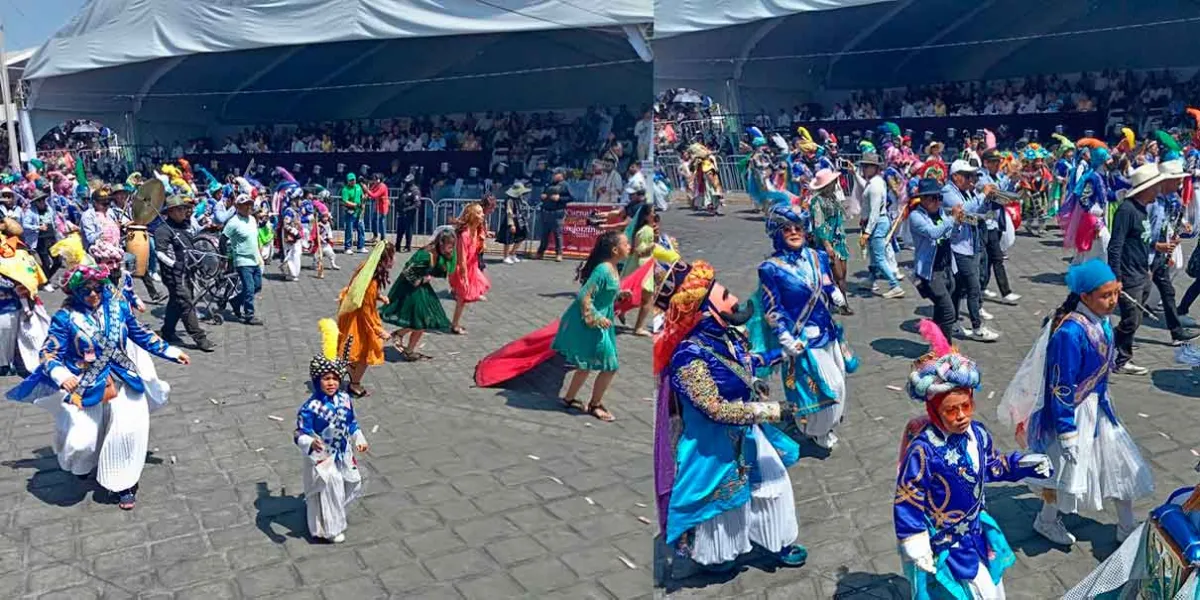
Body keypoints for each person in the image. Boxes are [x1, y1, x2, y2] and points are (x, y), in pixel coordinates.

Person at [654, 259, 809, 572]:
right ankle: (719, 555)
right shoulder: (688, 356)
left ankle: (777, 540)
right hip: (714, 446)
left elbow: (745, 363)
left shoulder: (724, 336)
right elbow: (714, 408)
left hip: (748, 432)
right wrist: (773, 410)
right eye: (724, 296)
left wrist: (780, 356)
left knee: (773, 483)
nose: (735, 300)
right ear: (704, 309)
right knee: (725, 506)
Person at [7, 264, 190, 510]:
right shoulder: (65, 318)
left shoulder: (118, 307)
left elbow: (140, 333)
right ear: (74, 293)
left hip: (124, 379)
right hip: (86, 385)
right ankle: (84, 463)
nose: (93, 294)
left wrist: (170, 351)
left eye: (97, 288)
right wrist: (61, 374)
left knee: (127, 432)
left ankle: (123, 482)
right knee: (82, 442)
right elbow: (49, 352)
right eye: (86, 290)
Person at [998, 259, 1154, 546]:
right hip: (1074, 414)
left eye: (1115, 293)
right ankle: (1046, 520)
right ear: (1085, 297)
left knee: (1120, 464)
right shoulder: (1070, 333)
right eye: (1106, 296)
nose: (1113, 301)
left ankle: (1126, 526)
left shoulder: (1102, 320)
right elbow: (1061, 386)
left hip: (1100, 409)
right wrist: (1067, 432)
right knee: (1062, 472)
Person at [895, 319, 1053, 598]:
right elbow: (908, 495)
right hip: (947, 544)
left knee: (994, 590)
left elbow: (991, 466)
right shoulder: (924, 450)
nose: (961, 416)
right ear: (934, 412)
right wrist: (913, 538)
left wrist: (1021, 465)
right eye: (950, 410)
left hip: (977, 531)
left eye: (966, 406)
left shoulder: (977, 434)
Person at [750, 204, 857, 450]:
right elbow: (772, 308)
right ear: (778, 233)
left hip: (828, 332)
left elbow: (825, 280)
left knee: (839, 380)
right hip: (803, 338)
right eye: (787, 229)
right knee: (829, 386)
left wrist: (834, 293)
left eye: (798, 227)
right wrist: (785, 338)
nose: (794, 232)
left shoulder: (817, 256)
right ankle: (814, 429)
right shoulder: (771, 269)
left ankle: (827, 424)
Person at [295, 319, 367, 544]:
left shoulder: (345, 399)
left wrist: (359, 438)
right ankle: (329, 528)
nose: (331, 383)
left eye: (335, 378)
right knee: (332, 486)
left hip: (343, 452)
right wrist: (310, 442)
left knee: (353, 481)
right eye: (326, 378)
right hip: (322, 455)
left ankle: (332, 511)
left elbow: (352, 422)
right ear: (317, 381)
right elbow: (299, 433)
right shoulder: (310, 407)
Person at [551, 231, 629, 422]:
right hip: (594, 324)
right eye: (626, 244)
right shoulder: (603, 269)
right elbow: (584, 296)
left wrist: (619, 295)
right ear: (615, 249)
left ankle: (569, 399)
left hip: (604, 322)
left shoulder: (613, 267)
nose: (629, 246)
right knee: (610, 366)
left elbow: (604, 293)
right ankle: (595, 404)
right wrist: (595, 317)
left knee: (585, 364)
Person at [1108, 164, 1166, 375]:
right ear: (1145, 189)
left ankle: (1109, 345)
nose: (1158, 191)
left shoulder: (1142, 210)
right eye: (1155, 187)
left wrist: (1151, 259)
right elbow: (1115, 246)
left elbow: (1141, 241)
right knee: (1131, 319)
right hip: (1128, 274)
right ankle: (1121, 358)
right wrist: (1116, 277)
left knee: (1135, 319)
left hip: (1142, 272)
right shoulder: (1127, 210)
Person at [942, 160, 1000, 342]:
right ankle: (977, 327)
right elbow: (964, 211)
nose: (971, 179)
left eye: (972, 176)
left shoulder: (966, 192)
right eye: (967, 176)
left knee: (959, 288)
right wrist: (982, 195)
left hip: (971, 245)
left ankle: (953, 323)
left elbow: (976, 213)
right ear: (955, 176)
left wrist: (989, 200)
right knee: (974, 287)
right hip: (958, 247)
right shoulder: (948, 192)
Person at [381, 227, 456, 361]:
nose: (451, 250)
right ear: (441, 243)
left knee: (423, 320)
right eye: (449, 246)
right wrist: (421, 279)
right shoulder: (425, 254)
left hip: (420, 287)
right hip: (410, 288)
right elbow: (408, 270)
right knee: (420, 319)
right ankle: (401, 338)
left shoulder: (437, 254)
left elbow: (435, 270)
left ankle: (407, 347)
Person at [154, 195, 216, 352]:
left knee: (176, 302)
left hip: (188, 271)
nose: (185, 212)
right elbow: (160, 253)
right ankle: (200, 338)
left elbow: (192, 247)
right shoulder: (163, 230)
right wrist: (174, 264)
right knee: (185, 302)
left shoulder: (184, 226)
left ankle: (167, 331)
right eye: (181, 209)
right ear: (171, 211)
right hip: (173, 274)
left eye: (184, 208)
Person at [1147, 159, 1199, 345]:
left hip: (1162, 249)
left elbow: (1167, 221)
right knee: (1133, 303)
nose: (1179, 184)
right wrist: (1156, 245)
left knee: (1168, 291)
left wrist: (1175, 234)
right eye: (1177, 180)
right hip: (1147, 255)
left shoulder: (1169, 197)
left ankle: (1176, 330)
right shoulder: (1152, 200)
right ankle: (1121, 335)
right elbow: (1142, 231)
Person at [335, 241, 395, 398]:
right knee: (364, 353)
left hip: (353, 313)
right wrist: (379, 330)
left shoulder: (365, 267)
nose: (394, 262)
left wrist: (379, 296)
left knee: (356, 350)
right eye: (392, 258)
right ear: (384, 260)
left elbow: (358, 289)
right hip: (359, 319)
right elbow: (367, 311)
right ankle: (354, 384)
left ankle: (350, 373)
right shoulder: (372, 282)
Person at [907, 178, 962, 341]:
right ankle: (945, 349)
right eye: (932, 198)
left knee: (940, 311)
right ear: (922, 199)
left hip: (946, 267)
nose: (937, 201)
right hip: (930, 272)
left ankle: (936, 345)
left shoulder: (941, 213)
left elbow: (951, 235)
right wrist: (952, 219)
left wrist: (957, 224)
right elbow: (933, 232)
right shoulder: (916, 216)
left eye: (939, 197)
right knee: (948, 311)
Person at [0, 219, 49, 375]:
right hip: (9, 296)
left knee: (17, 328)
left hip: (14, 298)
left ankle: (16, 360)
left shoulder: (16, 247)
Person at [976, 149, 1021, 304]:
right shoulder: (981, 177)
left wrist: (1014, 182)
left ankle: (982, 287)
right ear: (986, 163)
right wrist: (1007, 177)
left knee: (988, 259)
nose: (997, 165)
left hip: (996, 220)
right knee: (997, 257)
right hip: (985, 222)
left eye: (998, 162)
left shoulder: (997, 176)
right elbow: (994, 192)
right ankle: (1006, 292)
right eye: (994, 162)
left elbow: (1005, 195)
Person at [858, 153, 905, 298]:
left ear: (875, 168)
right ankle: (871, 280)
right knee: (874, 255)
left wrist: (867, 232)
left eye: (867, 166)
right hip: (877, 222)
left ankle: (894, 285)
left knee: (878, 256)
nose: (864, 169)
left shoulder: (876, 185)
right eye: (863, 166)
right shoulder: (874, 182)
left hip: (878, 222)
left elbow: (875, 211)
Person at [809, 168, 853, 314]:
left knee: (843, 275)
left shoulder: (833, 198)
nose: (836, 183)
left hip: (839, 239)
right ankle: (842, 304)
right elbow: (818, 224)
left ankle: (839, 302)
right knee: (837, 275)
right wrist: (827, 245)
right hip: (827, 241)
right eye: (833, 182)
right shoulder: (817, 201)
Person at [448, 203, 491, 335]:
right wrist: (464, 277)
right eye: (478, 213)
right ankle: (455, 325)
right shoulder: (464, 234)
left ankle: (455, 323)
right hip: (462, 268)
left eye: (482, 212)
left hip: (472, 266)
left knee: (466, 296)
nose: (482, 215)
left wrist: (483, 239)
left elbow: (479, 242)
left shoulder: (477, 229)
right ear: (471, 216)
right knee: (462, 298)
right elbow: (461, 258)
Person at [222, 194, 264, 325]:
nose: (248, 207)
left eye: (249, 204)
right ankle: (249, 315)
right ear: (238, 207)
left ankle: (235, 301)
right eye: (245, 205)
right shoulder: (233, 222)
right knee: (249, 287)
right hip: (242, 260)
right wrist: (225, 258)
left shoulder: (252, 219)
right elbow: (222, 240)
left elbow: (254, 237)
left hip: (255, 259)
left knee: (257, 286)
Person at [22, 192, 62, 289]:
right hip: (40, 239)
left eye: (43, 199)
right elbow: (24, 225)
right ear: (35, 202)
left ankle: (45, 279)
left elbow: (54, 221)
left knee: (58, 261)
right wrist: (38, 227)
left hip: (52, 238)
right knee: (46, 263)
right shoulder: (31, 212)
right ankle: (45, 283)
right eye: (39, 200)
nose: (42, 202)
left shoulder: (49, 208)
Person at [536, 170, 571, 262]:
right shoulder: (549, 184)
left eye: (556, 174)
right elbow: (544, 193)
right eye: (554, 174)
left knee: (557, 234)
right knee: (544, 234)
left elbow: (570, 197)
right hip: (546, 211)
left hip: (557, 212)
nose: (554, 175)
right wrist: (543, 196)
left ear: (562, 175)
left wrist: (560, 198)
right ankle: (540, 252)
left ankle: (559, 254)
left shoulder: (565, 185)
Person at [498, 182, 530, 265]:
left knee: (521, 236)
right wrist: (511, 224)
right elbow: (509, 212)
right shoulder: (510, 200)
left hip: (520, 221)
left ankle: (512, 253)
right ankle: (505, 256)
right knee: (508, 239)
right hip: (511, 221)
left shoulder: (520, 199)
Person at [394, 173, 421, 253]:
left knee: (408, 230)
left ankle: (407, 246)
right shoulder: (405, 189)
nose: (406, 183)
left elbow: (417, 204)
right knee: (399, 230)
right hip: (401, 213)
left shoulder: (415, 190)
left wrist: (408, 209)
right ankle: (397, 246)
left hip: (409, 214)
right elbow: (400, 199)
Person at [341, 173, 365, 254]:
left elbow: (362, 196)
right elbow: (345, 201)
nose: (353, 181)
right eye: (351, 180)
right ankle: (347, 247)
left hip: (359, 212)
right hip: (350, 212)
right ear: (348, 181)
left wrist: (364, 200)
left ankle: (361, 246)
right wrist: (355, 205)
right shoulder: (345, 189)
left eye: (354, 179)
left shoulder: (358, 187)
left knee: (361, 229)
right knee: (349, 230)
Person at [313, 211, 339, 278]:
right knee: (317, 256)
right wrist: (320, 238)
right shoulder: (318, 224)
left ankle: (333, 264)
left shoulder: (328, 224)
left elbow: (329, 232)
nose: (325, 218)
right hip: (320, 244)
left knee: (332, 254)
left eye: (326, 217)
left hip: (326, 243)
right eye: (324, 217)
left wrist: (329, 238)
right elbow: (316, 233)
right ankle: (315, 265)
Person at [366, 172, 389, 244]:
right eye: (374, 179)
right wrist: (367, 193)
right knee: (374, 220)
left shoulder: (382, 186)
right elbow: (371, 191)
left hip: (383, 206)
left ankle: (383, 238)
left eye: (376, 179)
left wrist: (366, 190)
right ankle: (375, 236)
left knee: (382, 222)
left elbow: (374, 195)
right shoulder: (375, 185)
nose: (375, 181)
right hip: (377, 205)